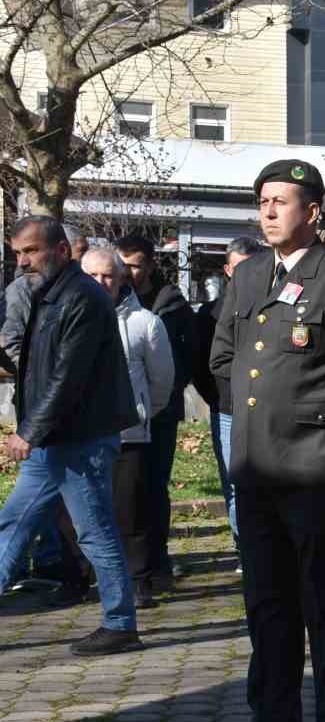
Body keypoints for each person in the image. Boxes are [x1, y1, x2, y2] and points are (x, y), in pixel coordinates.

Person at [209, 159, 325, 722]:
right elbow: (223, 358)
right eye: (263, 200)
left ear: (312, 212)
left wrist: (299, 413)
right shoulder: (250, 272)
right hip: (256, 464)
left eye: (282, 201)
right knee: (266, 600)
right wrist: (259, 418)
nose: (269, 210)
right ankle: (273, 720)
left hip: (312, 465)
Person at [0, 216, 141, 654]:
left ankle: (120, 623)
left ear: (61, 250)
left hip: (80, 438)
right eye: (18, 253)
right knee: (13, 522)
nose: (22, 261)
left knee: (93, 530)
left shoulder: (83, 297)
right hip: (53, 437)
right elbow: (35, 366)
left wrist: (29, 431)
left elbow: (68, 376)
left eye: (31, 251)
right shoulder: (46, 294)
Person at [83, 246, 174, 611]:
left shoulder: (145, 323)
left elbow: (161, 382)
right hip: (80, 434)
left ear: (121, 278)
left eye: (108, 275)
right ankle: (87, 578)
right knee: (85, 512)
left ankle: (138, 581)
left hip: (128, 435)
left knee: (130, 511)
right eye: (93, 276)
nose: (101, 282)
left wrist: (139, 412)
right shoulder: (67, 317)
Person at [116, 234, 193, 594]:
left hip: (160, 411)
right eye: (123, 263)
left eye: (135, 264)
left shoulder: (169, 302)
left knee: (152, 486)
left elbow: (184, 357)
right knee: (125, 490)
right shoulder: (110, 300)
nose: (128, 271)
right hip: (122, 413)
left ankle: (156, 560)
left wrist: (165, 394)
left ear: (149, 264)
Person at [192, 237, 266, 563]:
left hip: (269, 410)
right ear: (227, 270)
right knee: (236, 484)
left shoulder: (275, 308)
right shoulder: (210, 314)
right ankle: (247, 549)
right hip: (227, 409)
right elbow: (201, 364)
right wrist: (219, 399)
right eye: (239, 268)